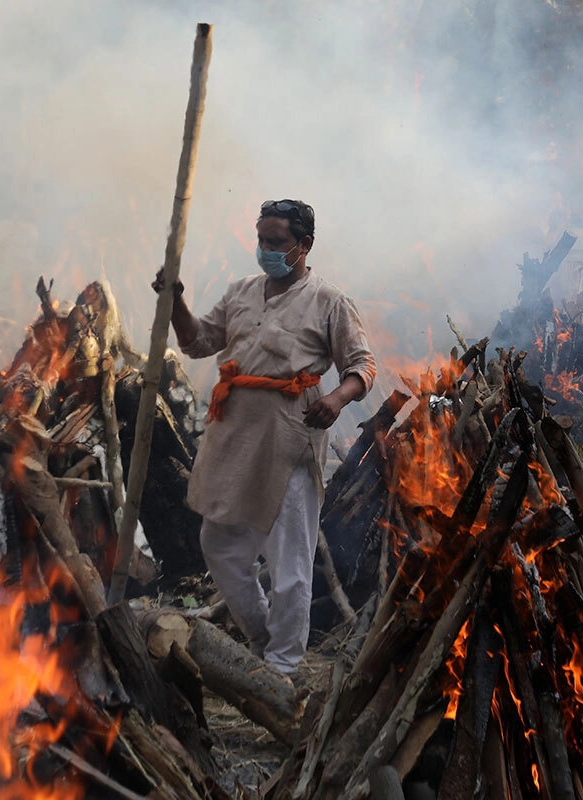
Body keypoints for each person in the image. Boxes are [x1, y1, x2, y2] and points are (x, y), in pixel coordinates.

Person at [154, 198, 376, 675]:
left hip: (289, 439)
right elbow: (197, 342)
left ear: (304, 245)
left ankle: (282, 667)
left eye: (276, 242)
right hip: (233, 437)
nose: (266, 249)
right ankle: (260, 637)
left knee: (290, 563)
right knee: (219, 544)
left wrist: (335, 401)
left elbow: (362, 368)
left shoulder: (329, 302)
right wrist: (175, 302)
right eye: (262, 240)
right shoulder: (241, 293)